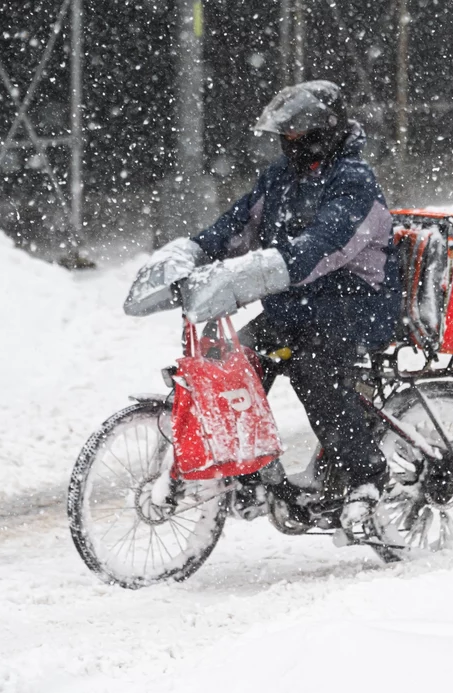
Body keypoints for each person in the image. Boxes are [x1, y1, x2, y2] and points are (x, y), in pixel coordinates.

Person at [126, 80, 400, 528]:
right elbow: (232, 229)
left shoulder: (354, 181)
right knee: (229, 364)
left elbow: (324, 247)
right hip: (295, 306)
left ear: (321, 131)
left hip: (355, 306)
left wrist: (249, 274)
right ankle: (252, 471)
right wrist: (192, 254)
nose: (288, 142)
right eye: (284, 134)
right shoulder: (280, 179)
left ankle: (368, 476)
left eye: (296, 133)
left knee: (314, 371)